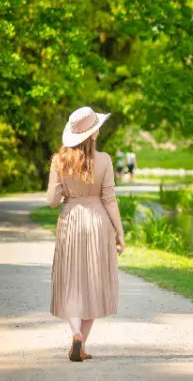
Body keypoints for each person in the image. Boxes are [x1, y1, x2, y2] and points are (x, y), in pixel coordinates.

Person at [46, 106, 125, 362]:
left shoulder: (59, 161)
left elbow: (52, 201)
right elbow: (109, 199)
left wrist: (63, 186)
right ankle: (81, 341)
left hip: (70, 220)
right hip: (97, 222)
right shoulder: (104, 160)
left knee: (71, 282)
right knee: (93, 283)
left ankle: (76, 334)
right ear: (91, 134)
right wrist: (119, 232)